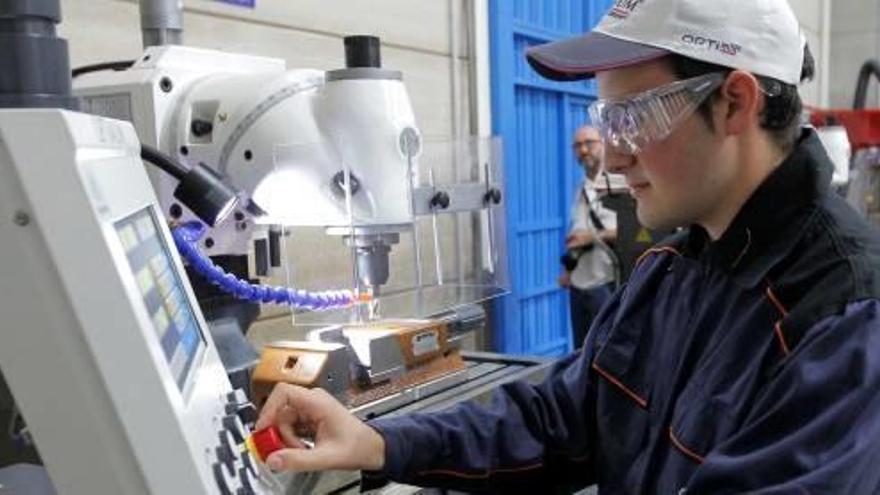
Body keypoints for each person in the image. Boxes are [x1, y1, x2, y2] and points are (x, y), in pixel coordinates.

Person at [255, 0, 880, 492]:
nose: (612, 154)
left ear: (734, 101)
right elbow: (559, 420)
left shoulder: (845, 317)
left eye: (633, 117)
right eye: (609, 123)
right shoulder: (671, 269)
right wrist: (381, 442)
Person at [559, 125, 618, 349]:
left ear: (602, 144)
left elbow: (638, 233)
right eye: (577, 145)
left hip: (606, 284)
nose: (583, 150)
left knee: (605, 353)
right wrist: (567, 271)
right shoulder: (582, 187)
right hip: (579, 285)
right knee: (581, 353)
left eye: (589, 143)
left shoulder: (619, 183)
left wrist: (592, 237)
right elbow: (578, 232)